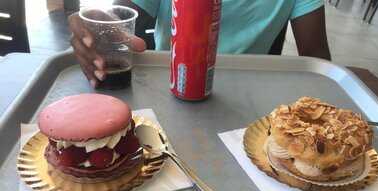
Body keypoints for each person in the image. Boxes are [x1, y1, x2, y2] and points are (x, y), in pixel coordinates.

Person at [69, 0, 331, 88]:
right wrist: (99, 28)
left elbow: (317, 58)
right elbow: (120, 16)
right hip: (167, 85)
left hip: (249, 97)